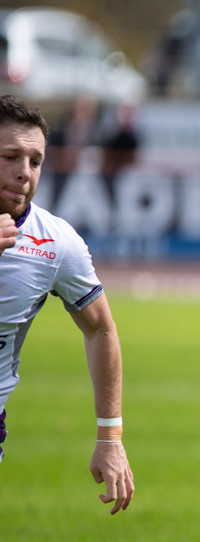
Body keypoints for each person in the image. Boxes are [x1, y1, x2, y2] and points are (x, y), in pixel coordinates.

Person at [0, 94, 134, 513]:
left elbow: (101, 328)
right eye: (10, 156)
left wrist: (110, 438)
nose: (24, 173)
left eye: (35, 161)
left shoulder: (54, 241)